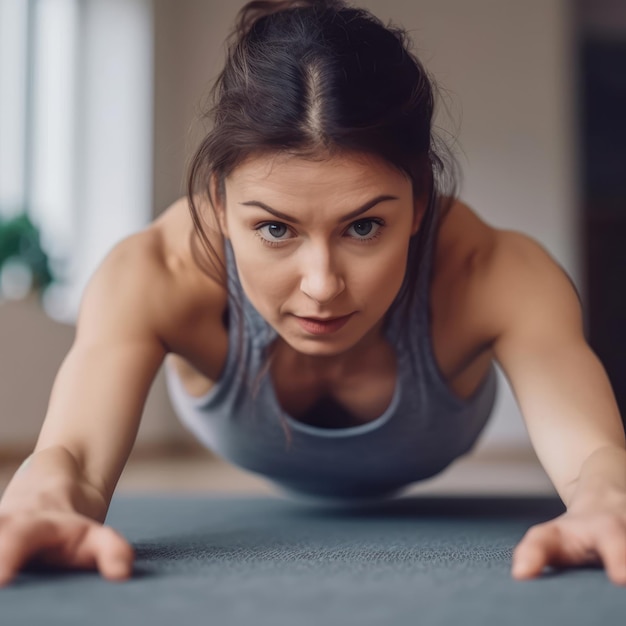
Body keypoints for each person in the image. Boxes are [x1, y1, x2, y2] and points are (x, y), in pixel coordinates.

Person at [1, 0, 626, 588]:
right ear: (219, 204)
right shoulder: (157, 270)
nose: (323, 285)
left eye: (364, 226)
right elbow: (72, 458)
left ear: (419, 204)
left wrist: (606, 501)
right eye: (275, 229)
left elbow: (594, 456)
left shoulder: (494, 271)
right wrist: (41, 501)